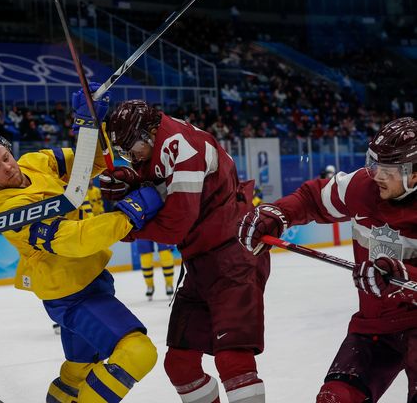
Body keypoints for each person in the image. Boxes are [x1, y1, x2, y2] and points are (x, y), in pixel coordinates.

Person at [0, 84, 163, 402]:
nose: (8, 167)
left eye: (6, 157)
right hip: (71, 295)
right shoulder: (10, 209)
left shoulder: (37, 162)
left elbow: (90, 164)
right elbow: (70, 241)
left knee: (78, 371)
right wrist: (128, 216)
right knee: (138, 353)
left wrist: (91, 123)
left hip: (91, 278)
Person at [236, 116, 417, 402]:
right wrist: (278, 214)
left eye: (389, 169)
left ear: (414, 174)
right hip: (376, 325)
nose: (378, 174)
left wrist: (402, 276)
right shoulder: (362, 187)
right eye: (376, 164)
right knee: (335, 397)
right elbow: (312, 198)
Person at [103, 99, 269, 403]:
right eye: (124, 152)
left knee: (233, 360)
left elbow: (175, 226)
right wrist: (130, 179)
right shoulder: (159, 140)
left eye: (131, 149)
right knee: (179, 364)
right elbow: (156, 177)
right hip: (200, 262)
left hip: (234, 256)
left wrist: (121, 227)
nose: (131, 157)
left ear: (149, 132)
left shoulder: (184, 147)